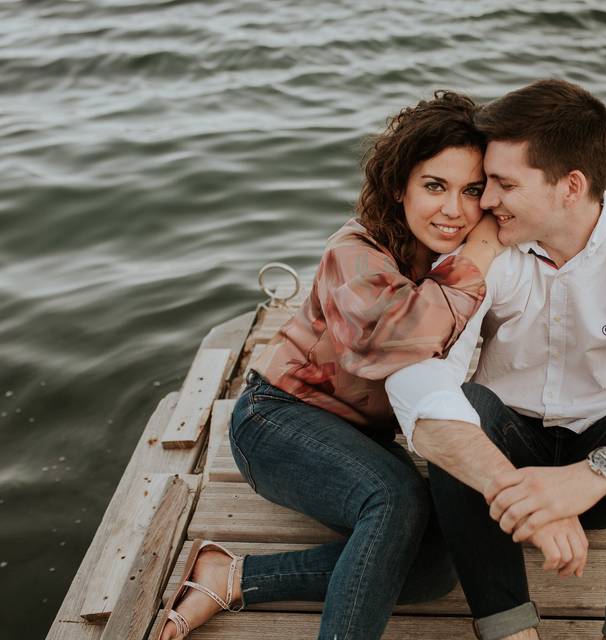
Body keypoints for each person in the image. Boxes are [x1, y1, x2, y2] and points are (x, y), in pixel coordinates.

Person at [385, 79, 606, 640]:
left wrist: (586, 479)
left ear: (570, 187)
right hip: (502, 467)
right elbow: (416, 374)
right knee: (463, 405)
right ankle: (510, 630)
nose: (484, 203)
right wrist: (528, 491)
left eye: (504, 184)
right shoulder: (484, 250)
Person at [157, 90, 505, 640]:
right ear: (399, 185)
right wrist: (480, 255)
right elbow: (395, 339)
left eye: (473, 192)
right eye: (435, 186)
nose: (454, 210)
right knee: (393, 500)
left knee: (436, 565)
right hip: (275, 420)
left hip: (361, 439)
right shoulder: (357, 249)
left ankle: (233, 574)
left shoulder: (447, 256)